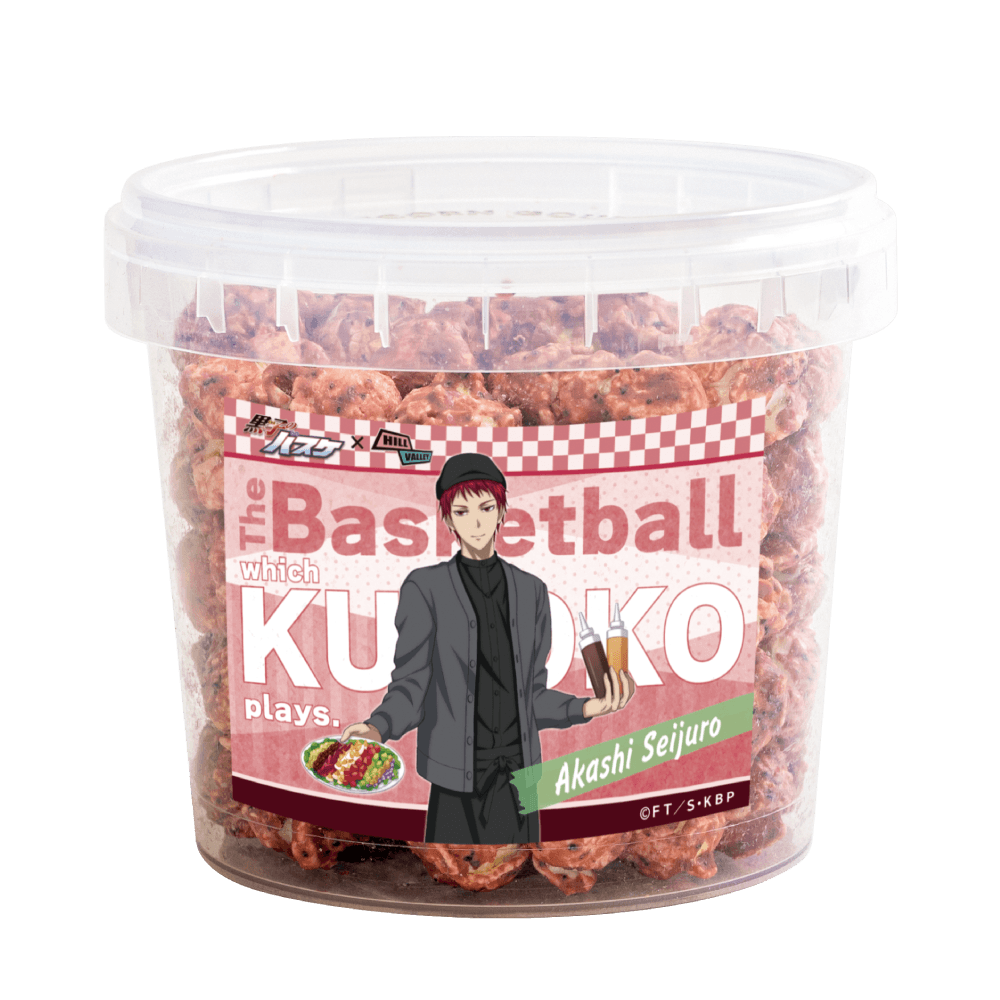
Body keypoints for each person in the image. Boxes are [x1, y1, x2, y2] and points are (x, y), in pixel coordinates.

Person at [342, 453, 634, 843]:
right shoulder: (425, 588)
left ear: (502, 512)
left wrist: (586, 708)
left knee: (521, 870)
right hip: (455, 778)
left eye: (486, 508)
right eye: (462, 512)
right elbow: (412, 684)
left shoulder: (532, 592)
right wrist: (378, 727)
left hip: (520, 777)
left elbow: (531, 696)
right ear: (448, 520)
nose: (476, 523)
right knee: (451, 869)